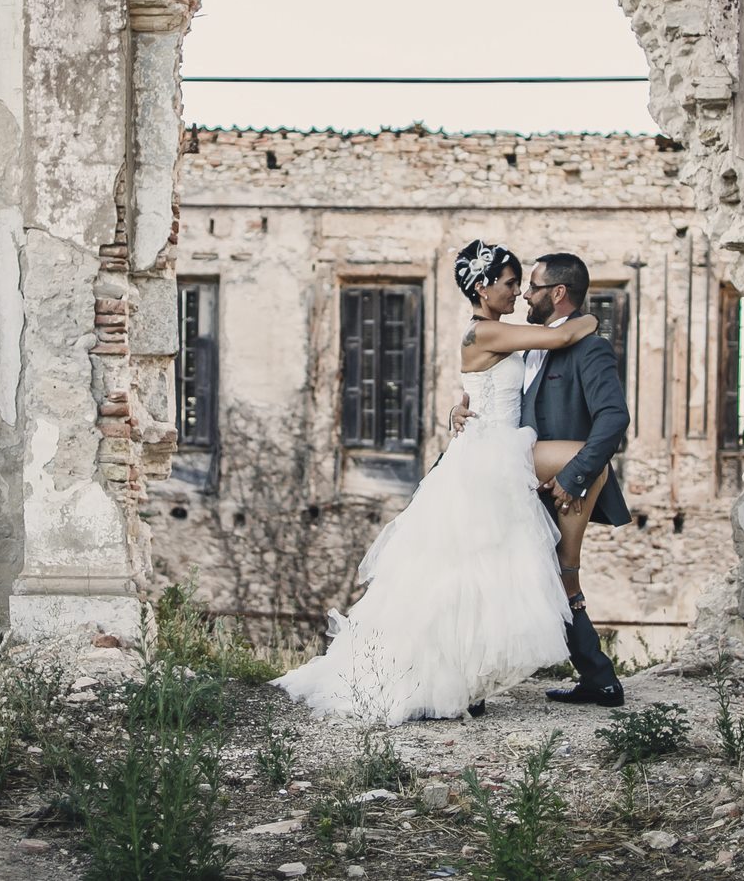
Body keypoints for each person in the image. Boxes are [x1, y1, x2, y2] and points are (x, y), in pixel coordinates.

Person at [270, 239, 600, 724]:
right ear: (484, 287)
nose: (516, 293)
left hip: (496, 447)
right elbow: (563, 337)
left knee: (481, 573)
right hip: (491, 457)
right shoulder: (486, 332)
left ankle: (469, 677)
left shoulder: (489, 332)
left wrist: (459, 407)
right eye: (511, 284)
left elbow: (482, 387)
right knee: (466, 574)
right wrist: (590, 318)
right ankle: (443, 678)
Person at [453, 249, 630, 708]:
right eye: (517, 284)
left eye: (530, 286)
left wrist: (573, 475)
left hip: (560, 480)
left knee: (561, 572)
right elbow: (485, 382)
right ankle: (597, 678)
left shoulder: (588, 347)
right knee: (538, 573)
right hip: (509, 472)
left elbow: (613, 418)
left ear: (557, 292)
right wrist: (460, 406)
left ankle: (596, 679)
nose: (524, 293)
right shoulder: (525, 338)